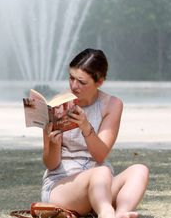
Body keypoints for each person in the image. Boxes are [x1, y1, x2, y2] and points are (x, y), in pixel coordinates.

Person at [40, 48, 149, 218]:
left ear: (99, 82)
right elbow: (51, 164)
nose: (74, 86)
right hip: (63, 186)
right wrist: (52, 143)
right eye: (71, 78)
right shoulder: (58, 105)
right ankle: (107, 213)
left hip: (100, 186)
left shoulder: (112, 105)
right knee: (101, 171)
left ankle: (121, 213)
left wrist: (86, 127)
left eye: (82, 82)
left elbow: (100, 155)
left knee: (139, 170)